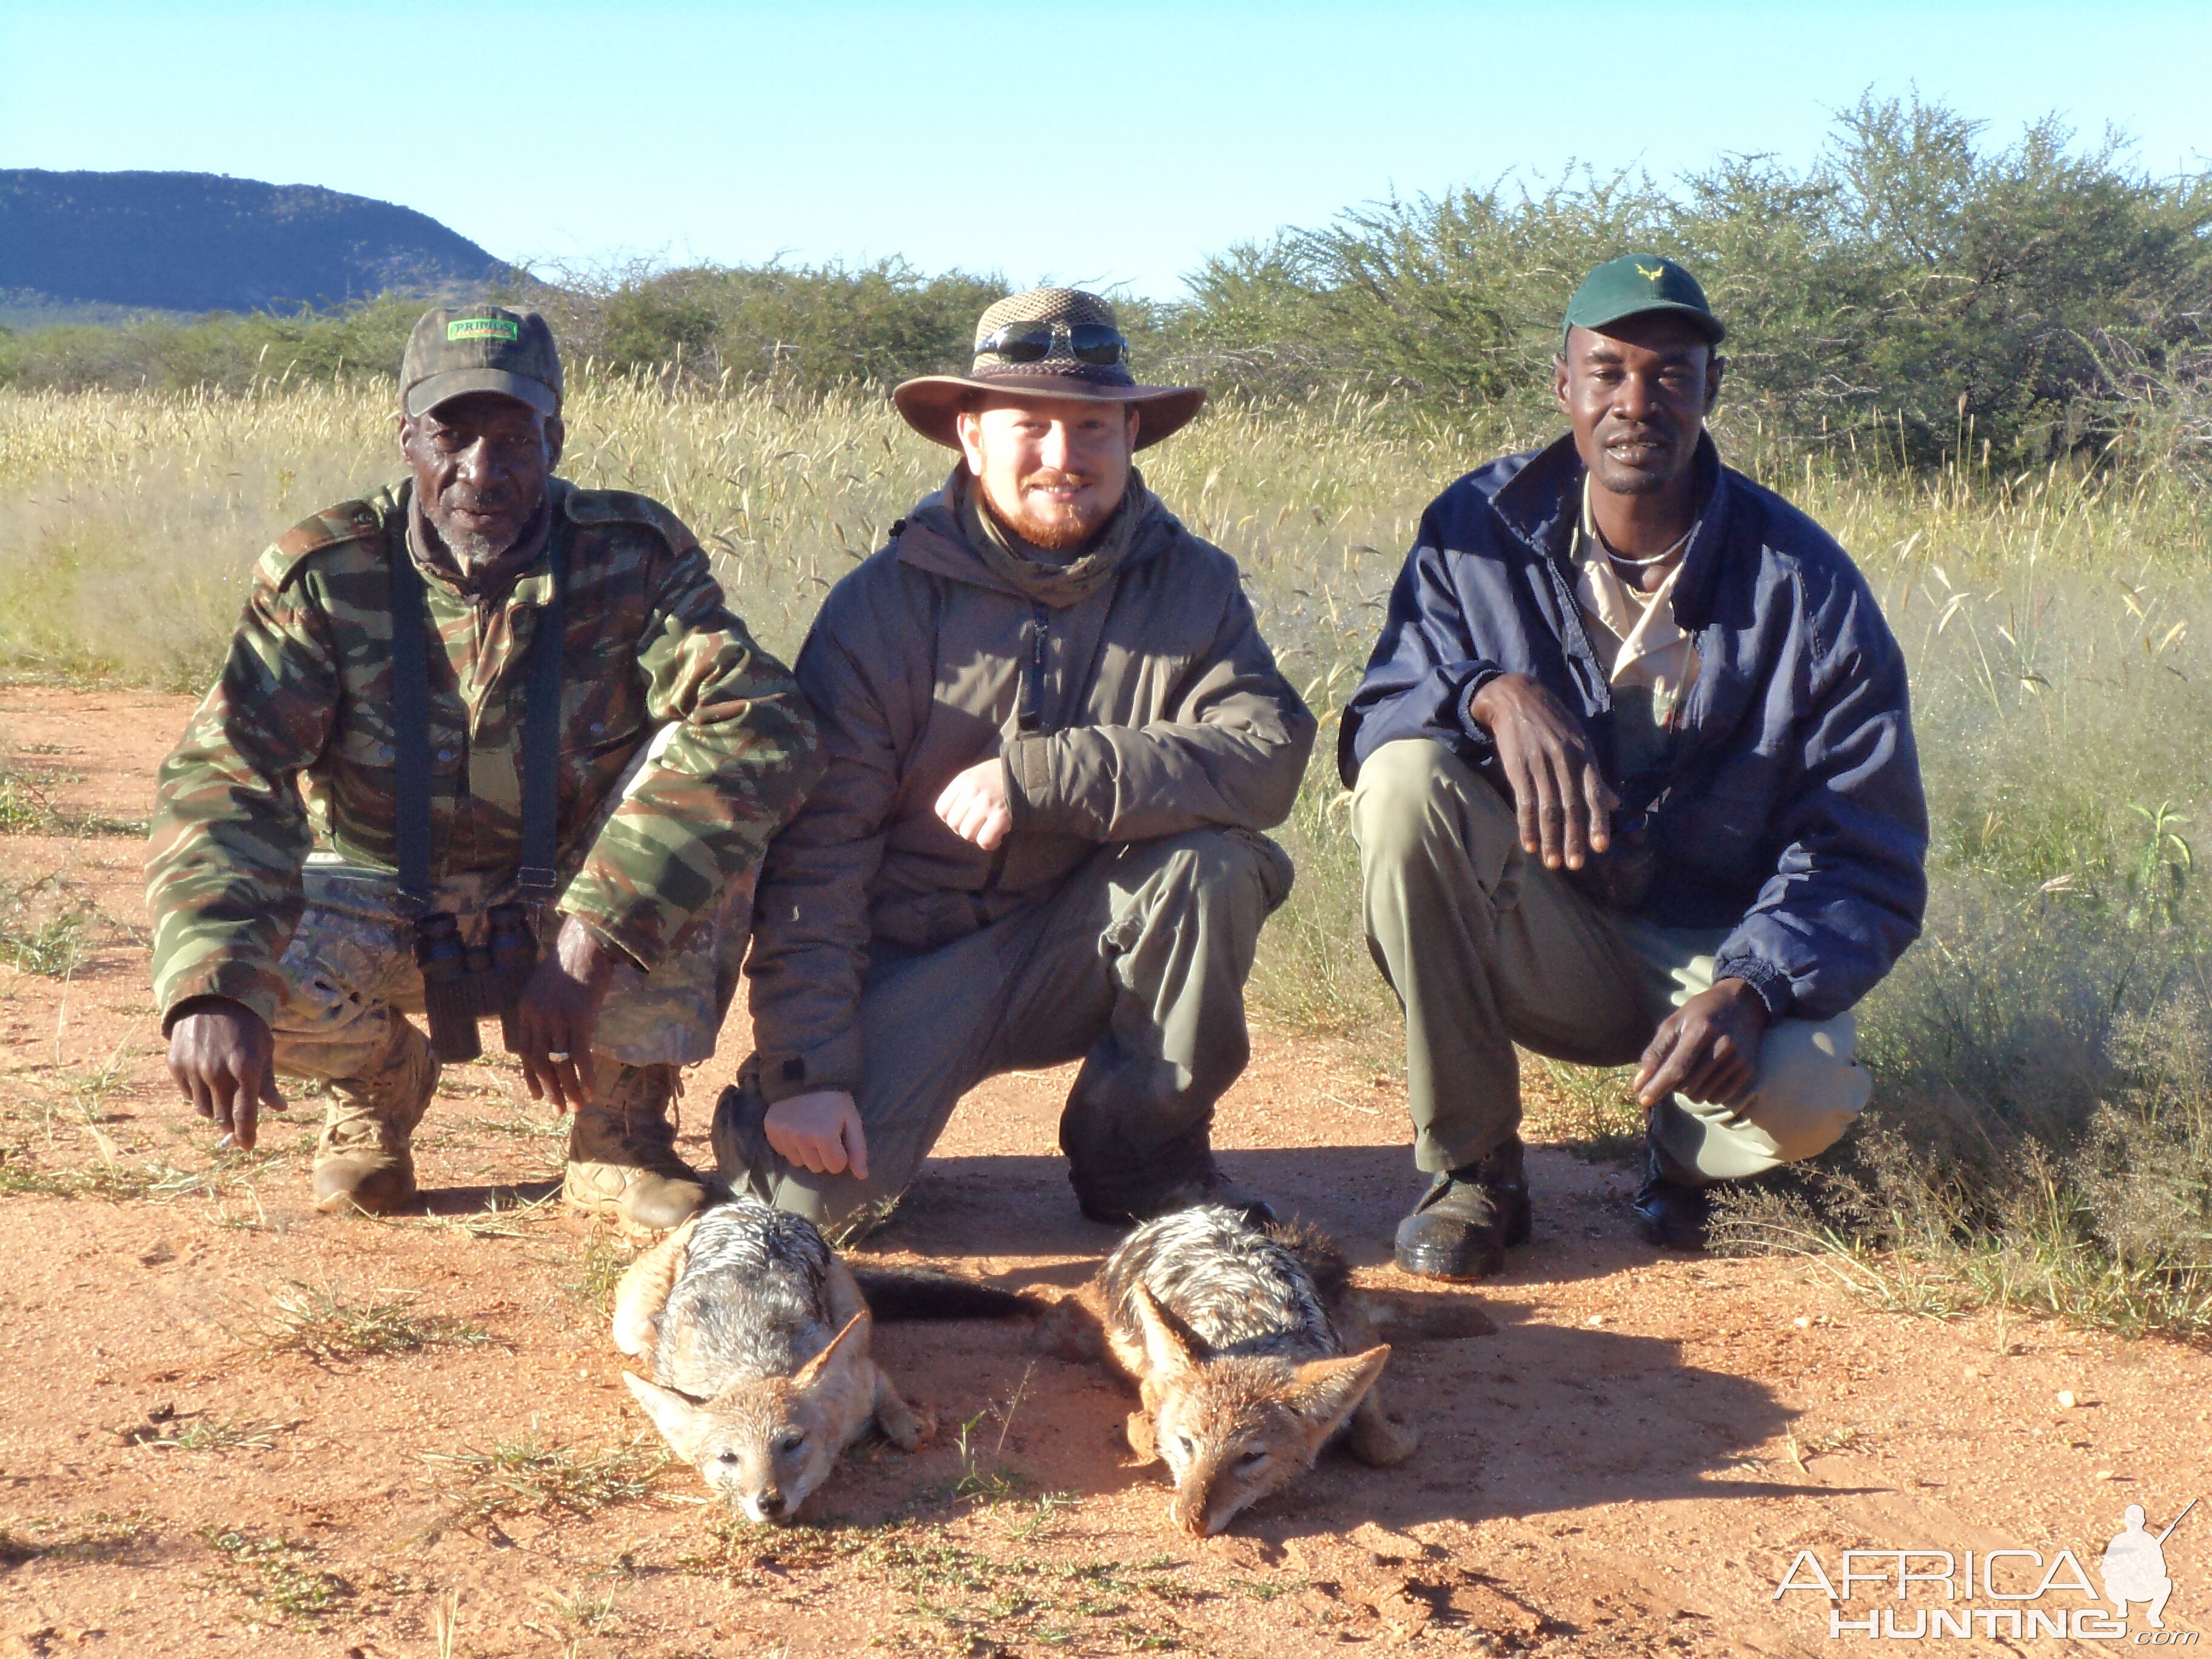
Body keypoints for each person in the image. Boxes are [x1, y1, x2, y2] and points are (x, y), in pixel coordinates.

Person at [148, 306, 819, 1230]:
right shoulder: (326, 572)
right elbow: (227, 775)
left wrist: (592, 939)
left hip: (572, 895)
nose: (482, 473)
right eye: (451, 437)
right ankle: (376, 1083)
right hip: (385, 899)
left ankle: (618, 1127)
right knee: (242, 959)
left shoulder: (632, 555)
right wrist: (212, 981)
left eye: (514, 440)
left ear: (555, 439)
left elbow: (763, 723)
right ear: (406, 438)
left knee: (712, 792)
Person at [1341, 255, 1927, 1279]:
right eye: (1607, 371)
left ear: (1711, 392)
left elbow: (1865, 849)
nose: (1635, 404)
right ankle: (1476, 1167)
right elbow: (1379, 707)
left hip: (1711, 953)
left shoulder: (1807, 584)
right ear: (1562, 384)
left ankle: (1687, 1164)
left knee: (1804, 1095)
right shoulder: (1475, 532)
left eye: (1671, 375)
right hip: (1543, 930)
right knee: (1401, 784)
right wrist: (1489, 691)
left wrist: (1753, 986)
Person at [718, 287, 1315, 1242]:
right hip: (909, 959)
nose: (1063, 457)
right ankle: (785, 1113)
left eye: (1092, 427)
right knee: (804, 1216)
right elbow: (817, 856)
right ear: (970, 434)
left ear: (1130, 437)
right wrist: (810, 1074)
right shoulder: (882, 607)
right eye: (1029, 425)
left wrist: (1039, 778)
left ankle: (1141, 1157)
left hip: (1080, 935)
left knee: (1215, 867)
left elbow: (1265, 755)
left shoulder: (1191, 581)